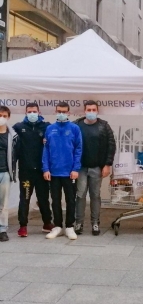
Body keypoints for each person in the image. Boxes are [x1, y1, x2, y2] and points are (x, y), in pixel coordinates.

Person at [73, 100, 116, 236]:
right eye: (88, 110)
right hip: (80, 167)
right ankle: (78, 223)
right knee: (80, 195)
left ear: (97, 111)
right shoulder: (76, 125)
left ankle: (95, 223)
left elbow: (111, 145)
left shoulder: (104, 126)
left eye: (93, 110)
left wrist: (108, 164)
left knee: (95, 196)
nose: (91, 112)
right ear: (84, 111)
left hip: (97, 167)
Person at [42, 102, 82, 240]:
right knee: (55, 200)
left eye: (64, 111)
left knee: (71, 200)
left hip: (69, 172)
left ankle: (70, 226)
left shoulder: (75, 128)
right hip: (53, 172)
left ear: (69, 113)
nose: (61, 113)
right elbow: (46, 150)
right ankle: (58, 226)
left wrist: (76, 168)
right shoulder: (50, 129)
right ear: (55, 111)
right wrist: (45, 168)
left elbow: (78, 150)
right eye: (59, 111)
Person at [13, 103, 53, 237]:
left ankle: (47, 223)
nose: (32, 114)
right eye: (29, 111)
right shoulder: (19, 127)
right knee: (25, 198)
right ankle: (23, 226)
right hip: (26, 171)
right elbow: (13, 149)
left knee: (43, 198)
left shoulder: (46, 127)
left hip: (42, 171)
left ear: (39, 112)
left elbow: (51, 145)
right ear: (25, 113)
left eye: (34, 111)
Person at [0, 106, 18, 242]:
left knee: (3, 204)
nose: (1, 118)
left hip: (5, 172)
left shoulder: (13, 135)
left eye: (4, 115)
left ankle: (2, 229)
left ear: (8, 117)